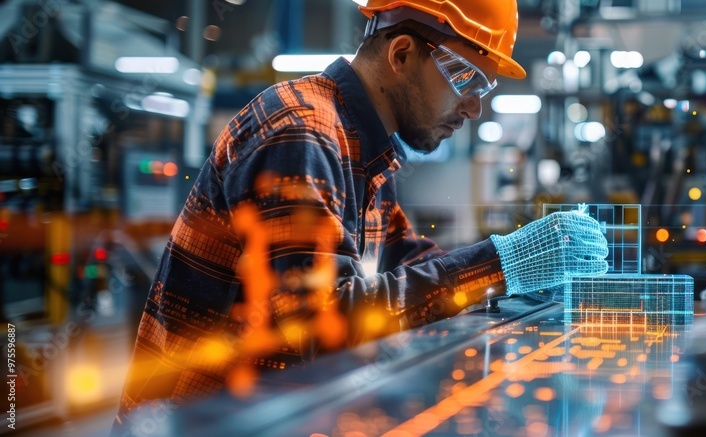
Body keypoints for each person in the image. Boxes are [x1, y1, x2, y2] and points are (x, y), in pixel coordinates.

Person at [111, 0, 608, 435]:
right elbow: (320, 323)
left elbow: (412, 259)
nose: (475, 107)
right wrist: (502, 263)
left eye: (486, 86)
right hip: (207, 423)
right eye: (466, 79)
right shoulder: (302, 133)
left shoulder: (362, 148)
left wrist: (522, 282)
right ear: (401, 54)